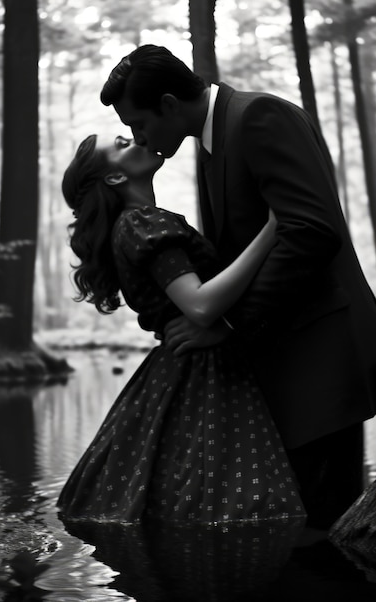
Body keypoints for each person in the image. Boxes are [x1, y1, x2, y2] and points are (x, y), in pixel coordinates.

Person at [100, 44, 376, 528]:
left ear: (168, 103)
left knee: (326, 529)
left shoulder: (258, 117)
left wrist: (227, 321)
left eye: (138, 123)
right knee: (304, 529)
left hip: (320, 357)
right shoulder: (211, 144)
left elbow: (310, 231)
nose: (137, 135)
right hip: (284, 362)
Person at [57, 133, 306, 524]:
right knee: (236, 507)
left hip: (180, 367)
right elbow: (201, 305)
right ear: (115, 179)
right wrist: (273, 229)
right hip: (202, 368)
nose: (137, 139)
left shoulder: (132, 225)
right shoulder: (142, 222)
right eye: (122, 144)